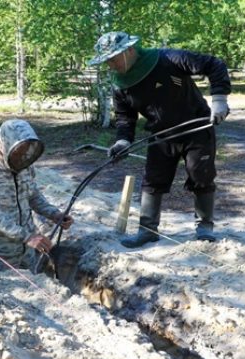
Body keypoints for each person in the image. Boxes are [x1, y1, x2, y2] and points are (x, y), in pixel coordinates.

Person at [88, 31, 231, 246]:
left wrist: (219, 99)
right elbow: (125, 118)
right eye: (107, 61)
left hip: (196, 127)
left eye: (113, 58)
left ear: (129, 51)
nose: (111, 65)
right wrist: (122, 141)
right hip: (161, 135)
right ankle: (147, 231)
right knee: (153, 179)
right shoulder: (121, 86)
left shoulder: (168, 59)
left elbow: (213, 64)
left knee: (201, 174)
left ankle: (204, 227)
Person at [0, 119, 74, 270]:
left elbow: (33, 195)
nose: (24, 156)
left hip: (28, 250)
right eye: (19, 151)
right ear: (4, 145)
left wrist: (54, 214)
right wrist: (27, 237)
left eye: (27, 151)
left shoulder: (24, 166)